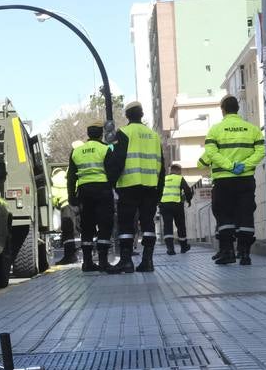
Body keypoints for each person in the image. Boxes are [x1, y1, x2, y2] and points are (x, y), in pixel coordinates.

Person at [201, 94, 265, 266]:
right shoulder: (252, 129)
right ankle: (244, 253)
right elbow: (260, 151)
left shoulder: (215, 130)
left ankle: (227, 251)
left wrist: (229, 166)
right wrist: (244, 165)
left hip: (223, 181)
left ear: (223, 110)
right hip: (245, 180)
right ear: (238, 108)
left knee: (224, 216)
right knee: (245, 214)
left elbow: (211, 154)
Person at [105, 102, 164, 274]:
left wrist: (112, 183)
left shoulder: (123, 133)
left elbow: (116, 160)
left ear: (127, 116)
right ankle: (148, 261)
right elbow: (161, 164)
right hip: (151, 186)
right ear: (142, 114)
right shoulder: (154, 136)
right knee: (148, 223)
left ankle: (126, 261)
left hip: (129, 186)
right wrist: (159, 190)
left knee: (126, 224)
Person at [67, 124, 115, 273]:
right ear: (101, 134)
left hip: (84, 192)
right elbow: (112, 172)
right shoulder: (106, 149)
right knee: (105, 225)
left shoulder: (76, 151)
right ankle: (103, 261)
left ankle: (87, 262)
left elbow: (71, 177)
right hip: (102, 191)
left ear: (88, 134)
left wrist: (71, 196)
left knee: (87, 227)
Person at [159, 162, 194, 255]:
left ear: (171, 171)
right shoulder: (179, 178)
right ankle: (183, 247)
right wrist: (189, 200)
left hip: (164, 205)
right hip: (177, 204)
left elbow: (158, 191)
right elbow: (187, 190)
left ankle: (170, 249)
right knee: (181, 225)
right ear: (178, 171)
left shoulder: (164, 179)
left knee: (167, 226)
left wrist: (159, 203)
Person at [51, 162, 79, 265]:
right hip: (76, 204)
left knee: (68, 232)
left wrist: (55, 205)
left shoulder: (54, 180)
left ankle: (69, 256)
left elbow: (53, 196)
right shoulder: (68, 175)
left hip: (65, 205)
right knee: (77, 230)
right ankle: (80, 254)